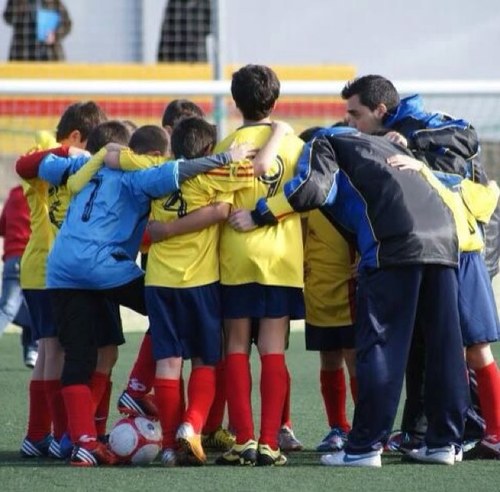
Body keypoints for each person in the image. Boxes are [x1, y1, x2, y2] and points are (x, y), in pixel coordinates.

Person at [229, 127, 470, 467]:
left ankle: (364, 447)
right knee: (442, 344)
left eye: (354, 111)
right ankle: (443, 442)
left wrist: (259, 214)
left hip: (395, 244)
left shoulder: (323, 141)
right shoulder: (384, 144)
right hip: (445, 240)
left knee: (380, 346)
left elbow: (312, 188)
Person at [30, 123, 251, 467]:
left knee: (79, 357)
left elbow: (38, 166)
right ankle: (135, 389)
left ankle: (82, 442)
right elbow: (180, 170)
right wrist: (225, 157)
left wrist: (79, 155)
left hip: (60, 268)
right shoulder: (140, 176)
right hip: (103, 265)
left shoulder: (80, 167)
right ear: (150, 156)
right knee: (166, 312)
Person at [341, 74, 500, 455]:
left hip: (464, 247)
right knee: (424, 344)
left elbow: (468, 140)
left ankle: (488, 430)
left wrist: (412, 145)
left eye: (355, 113)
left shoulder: (422, 126)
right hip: (432, 248)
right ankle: (424, 433)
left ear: (381, 110)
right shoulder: (372, 138)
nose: (349, 122)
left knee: (469, 346)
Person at [213, 64, 305, 467]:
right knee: (272, 349)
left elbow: (214, 203)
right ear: (276, 100)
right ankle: (271, 442)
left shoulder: (227, 144)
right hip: (281, 260)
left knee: (235, 345)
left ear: (235, 104)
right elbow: (308, 197)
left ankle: (243, 439)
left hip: (235, 258)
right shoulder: (295, 146)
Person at [15, 102, 108, 460]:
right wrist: (71, 151)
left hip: (43, 268)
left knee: (47, 351)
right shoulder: (47, 152)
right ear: (74, 137)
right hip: (49, 270)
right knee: (56, 351)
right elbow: (31, 157)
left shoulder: (55, 163)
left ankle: (37, 434)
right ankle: (56, 433)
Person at [296, 127, 358, 453]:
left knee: (355, 357)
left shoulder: (349, 188)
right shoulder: (306, 192)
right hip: (317, 287)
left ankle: (363, 427)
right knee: (329, 358)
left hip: (349, 288)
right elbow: (302, 233)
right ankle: (338, 427)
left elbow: (364, 226)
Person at [0, 184, 37, 368]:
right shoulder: (43, 192)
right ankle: (33, 348)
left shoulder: (15, 193)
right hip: (34, 258)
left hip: (12, 258)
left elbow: (2, 226)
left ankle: (31, 351)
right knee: (31, 307)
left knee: (10, 307)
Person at [3, 0, 71, 61]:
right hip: (22, 53)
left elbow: (66, 23)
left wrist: (55, 35)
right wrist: (19, 3)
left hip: (49, 55)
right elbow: (9, 19)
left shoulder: (53, 1)